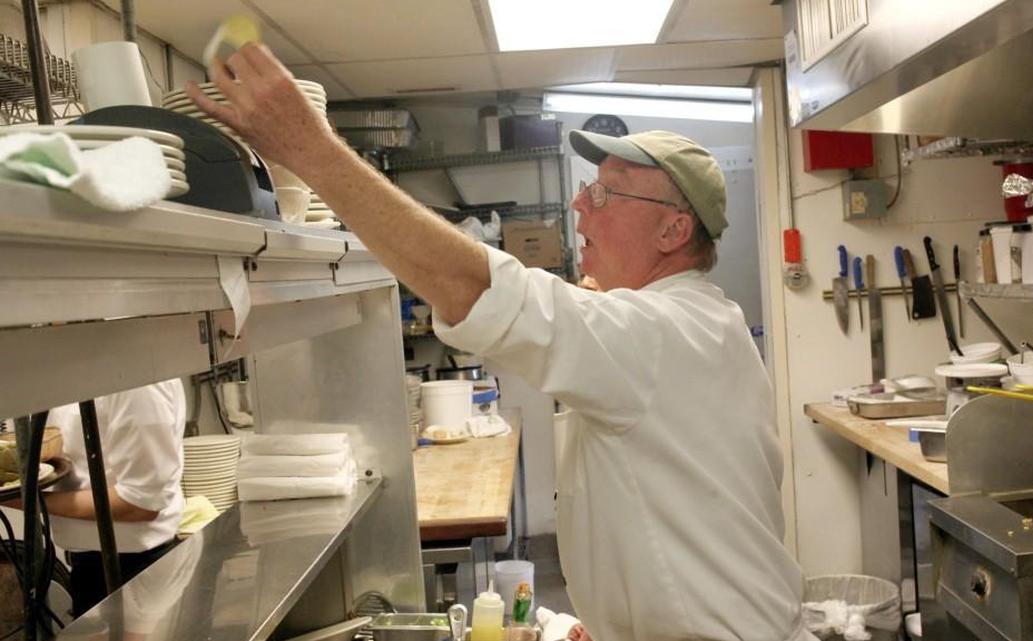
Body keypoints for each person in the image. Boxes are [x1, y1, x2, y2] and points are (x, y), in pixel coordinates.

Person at [187, 43, 813, 641]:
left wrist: (311, 149)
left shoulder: (661, 334)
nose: (578, 205)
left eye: (605, 192)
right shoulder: (695, 323)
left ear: (675, 230)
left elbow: (472, 285)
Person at [39, 380, 185, 617]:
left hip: (137, 571)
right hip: (91, 568)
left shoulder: (132, 378)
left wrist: (25, 500)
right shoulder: (66, 370)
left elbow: (141, 503)